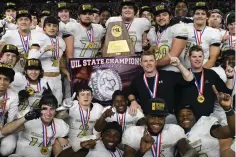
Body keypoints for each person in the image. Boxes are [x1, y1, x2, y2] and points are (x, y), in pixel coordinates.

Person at [128, 52, 193, 124]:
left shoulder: (168, 75)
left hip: (167, 117)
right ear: (141, 64)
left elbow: (189, 78)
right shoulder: (137, 80)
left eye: (151, 60)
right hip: (147, 118)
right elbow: (130, 93)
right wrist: (133, 101)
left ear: (155, 62)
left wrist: (179, 65)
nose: (148, 63)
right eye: (145, 61)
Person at [2, 89, 70, 157]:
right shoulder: (29, 121)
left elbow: (65, 147)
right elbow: (4, 131)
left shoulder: (60, 125)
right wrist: (24, 118)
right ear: (40, 109)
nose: (48, 113)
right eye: (45, 109)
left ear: (56, 111)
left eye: (52, 109)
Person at [122, 98, 198, 157]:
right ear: (145, 117)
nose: (157, 121)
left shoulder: (174, 130)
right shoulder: (133, 132)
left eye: (161, 117)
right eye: (153, 117)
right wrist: (141, 152)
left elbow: (191, 151)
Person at [176, 85, 235, 157]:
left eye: (189, 114)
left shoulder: (204, 123)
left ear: (195, 116)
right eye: (181, 115)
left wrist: (228, 109)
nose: (185, 117)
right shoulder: (176, 135)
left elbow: (231, 131)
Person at [180, 45, 234, 120]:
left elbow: (227, 92)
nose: (197, 59)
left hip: (207, 120)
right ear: (189, 58)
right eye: (194, 57)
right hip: (187, 120)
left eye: (200, 56)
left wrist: (230, 77)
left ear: (203, 58)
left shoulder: (211, 74)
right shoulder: (182, 75)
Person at [28, 16, 68, 106]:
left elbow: (60, 59)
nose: (52, 28)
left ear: (58, 28)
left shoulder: (61, 41)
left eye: (54, 26)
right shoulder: (39, 38)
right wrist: (44, 49)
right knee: (44, 106)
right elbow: (31, 58)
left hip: (57, 78)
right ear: (44, 28)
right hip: (44, 78)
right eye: (49, 25)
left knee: (57, 104)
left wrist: (64, 70)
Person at [56, 85, 104, 153]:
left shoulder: (99, 108)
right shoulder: (72, 105)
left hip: (90, 139)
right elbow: (57, 120)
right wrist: (64, 108)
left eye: (88, 94)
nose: (86, 97)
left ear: (92, 97)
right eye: (82, 94)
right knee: (57, 141)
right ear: (78, 97)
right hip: (72, 140)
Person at [146, 4, 188, 71]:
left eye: (164, 15)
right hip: (155, 71)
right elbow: (150, 51)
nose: (161, 18)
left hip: (173, 71)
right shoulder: (152, 31)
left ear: (170, 17)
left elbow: (173, 56)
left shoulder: (177, 28)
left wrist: (150, 64)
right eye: (158, 15)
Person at [181, 2, 221, 69]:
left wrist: (200, 73)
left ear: (207, 17)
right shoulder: (184, 28)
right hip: (184, 68)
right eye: (197, 14)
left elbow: (212, 59)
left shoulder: (214, 32)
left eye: (203, 14)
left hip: (204, 68)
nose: (200, 16)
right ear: (193, 16)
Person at [57, 122, 123, 157]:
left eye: (116, 135)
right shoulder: (92, 147)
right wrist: (80, 146)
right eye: (108, 134)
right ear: (102, 135)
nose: (111, 138)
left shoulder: (122, 153)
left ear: (120, 139)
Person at [0, 63, 18, 156]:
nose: (2, 82)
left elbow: (11, 119)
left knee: (7, 148)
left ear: (10, 82)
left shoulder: (13, 96)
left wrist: (4, 130)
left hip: (3, 127)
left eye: (6, 79)